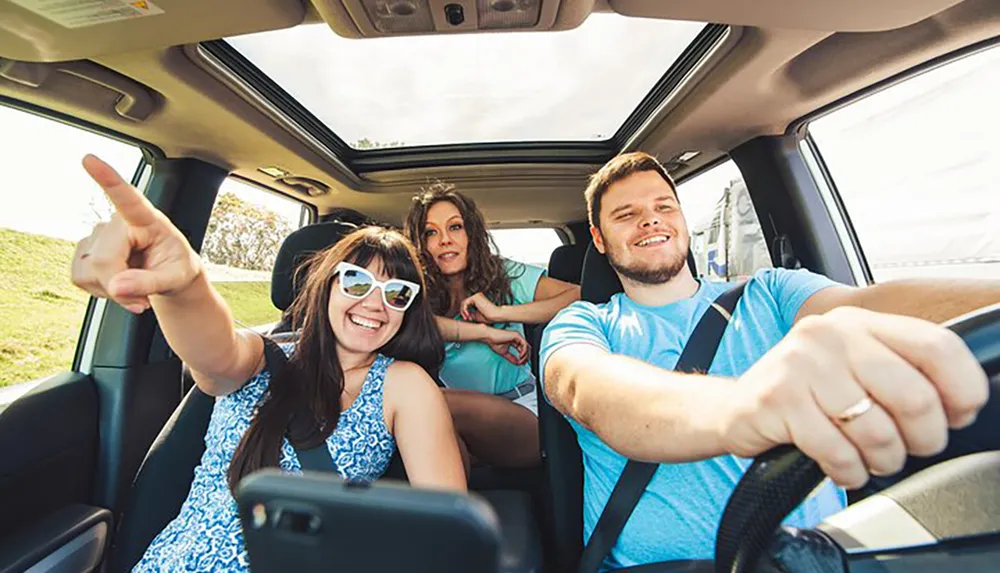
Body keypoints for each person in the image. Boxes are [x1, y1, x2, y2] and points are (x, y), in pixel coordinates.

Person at [540, 151, 997, 569]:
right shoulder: (581, 323)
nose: (650, 221)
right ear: (598, 239)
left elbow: (868, 303)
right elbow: (589, 389)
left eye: (664, 206)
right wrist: (743, 406)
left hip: (813, 558)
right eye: (627, 215)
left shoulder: (771, 291)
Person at [70, 155, 466, 572]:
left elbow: (444, 532)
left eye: (397, 293)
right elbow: (216, 355)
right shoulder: (264, 357)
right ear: (328, 286)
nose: (375, 303)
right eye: (357, 281)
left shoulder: (403, 384)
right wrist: (186, 285)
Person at [405, 183, 581, 469]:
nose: (445, 240)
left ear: (472, 234)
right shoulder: (419, 293)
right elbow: (411, 323)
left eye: (455, 227)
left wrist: (500, 313)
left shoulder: (505, 275)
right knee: (429, 428)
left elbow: (579, 296)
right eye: (431, 232)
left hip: (523, 411)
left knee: (423, 402)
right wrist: (485, 333)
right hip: (457, 427)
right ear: (421, 244)